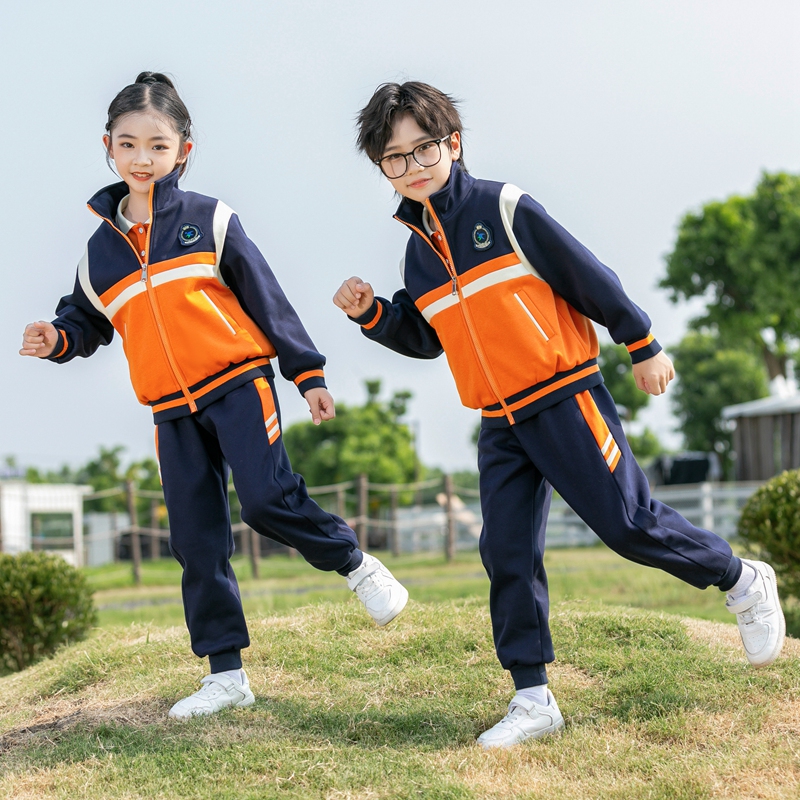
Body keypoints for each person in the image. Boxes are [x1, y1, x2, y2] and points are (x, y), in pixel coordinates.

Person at [333, 81, 785, 749]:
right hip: (498, 420)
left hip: (564, 396)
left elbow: (586, 275)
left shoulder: (504, 208)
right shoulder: (416, 252)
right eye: (394, 158)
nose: (412, 166)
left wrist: (643, 341)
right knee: (506, 551)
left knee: (629, 525)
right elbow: (431, 337)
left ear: (453, 144)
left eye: (422, 148)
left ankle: (741, 579)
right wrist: (375, 315)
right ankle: (533, 696)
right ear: (381, 169)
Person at [20, 72, 408, 720]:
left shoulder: (210, 220)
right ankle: (226, 675)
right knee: (196, 540)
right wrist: (56, 337)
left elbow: (266, 298)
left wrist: (306, 375)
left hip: (237, 383)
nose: (143, 159)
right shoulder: (99, 254)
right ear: (108, 148)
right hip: (170, 409)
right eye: (129, 145)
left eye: (158, 146)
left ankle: (356, 564)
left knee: (264, 499)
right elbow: (86, 322)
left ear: (184, 150)